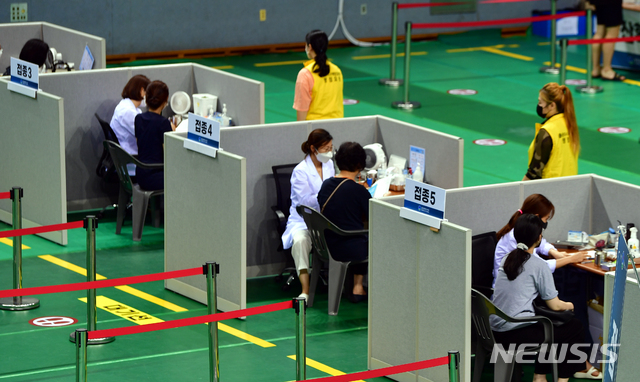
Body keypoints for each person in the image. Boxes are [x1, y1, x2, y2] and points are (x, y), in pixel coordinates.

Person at [491, 214, 601, 381]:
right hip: (515, 332)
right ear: (539, 238)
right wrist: (570, 305)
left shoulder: (508, 258)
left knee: (549, 324)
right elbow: (555, 305)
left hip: (494, 329)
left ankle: (540, 376)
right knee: (573, 327)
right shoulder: (539, 265)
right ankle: (562, 379)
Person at [281, 129, 335, 300]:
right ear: (314, 149)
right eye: (326, 148)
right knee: (300, 241)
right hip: (303, 220)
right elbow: (305, 201)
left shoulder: (329, 164)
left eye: (331, 147)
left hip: (326, 218)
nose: (329, 152)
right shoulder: (300, 171)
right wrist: (326, 193)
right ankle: (305, 289)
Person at [494, 194, 588, 286]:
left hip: (520, 285)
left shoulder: (522, 229)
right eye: (546, 218)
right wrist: (570, 259)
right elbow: (541, 266)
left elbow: (541, 243)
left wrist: (554, 252)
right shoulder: (514, 237)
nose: (546, 223)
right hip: (510, 291)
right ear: (537, 217)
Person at [317, 142, 370, 302]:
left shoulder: (326, 185)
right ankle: (358, 287)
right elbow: (374, 216)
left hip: (326, 244)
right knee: (367, 237)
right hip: (349, 248)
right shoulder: (358, 191)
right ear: (360, 165)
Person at [523, 83, 579, 181]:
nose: (538, 106)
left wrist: (518, 193)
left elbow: (534, 174)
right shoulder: (569, 124)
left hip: (550, 190)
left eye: (540, 102)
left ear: (552, 105)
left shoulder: (547, 132)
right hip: (571, 186)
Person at [293, 30, 343, 121]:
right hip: (337, 125)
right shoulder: (337, 71)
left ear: (310, 46)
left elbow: (302, 109)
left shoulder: (305, 74)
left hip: (315, 129)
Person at [134, 80, 175, 191]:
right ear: (165, 100)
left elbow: (141, 145)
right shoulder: (163, 123)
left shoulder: (138, 119)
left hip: (141, 174)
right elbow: (169, 156)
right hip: (157, 176)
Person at [111, 75, 151, 157]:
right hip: (131, 157)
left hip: (130, 152)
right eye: (148, 93)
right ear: (142, 90)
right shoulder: (127, 111)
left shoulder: (127, 106)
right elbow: (145, 135)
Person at [587, 0, 627, 81]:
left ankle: (596, 69)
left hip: (599, 2)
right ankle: (606, 70)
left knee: (600, 31)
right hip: (611, 3)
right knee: (612, 33)